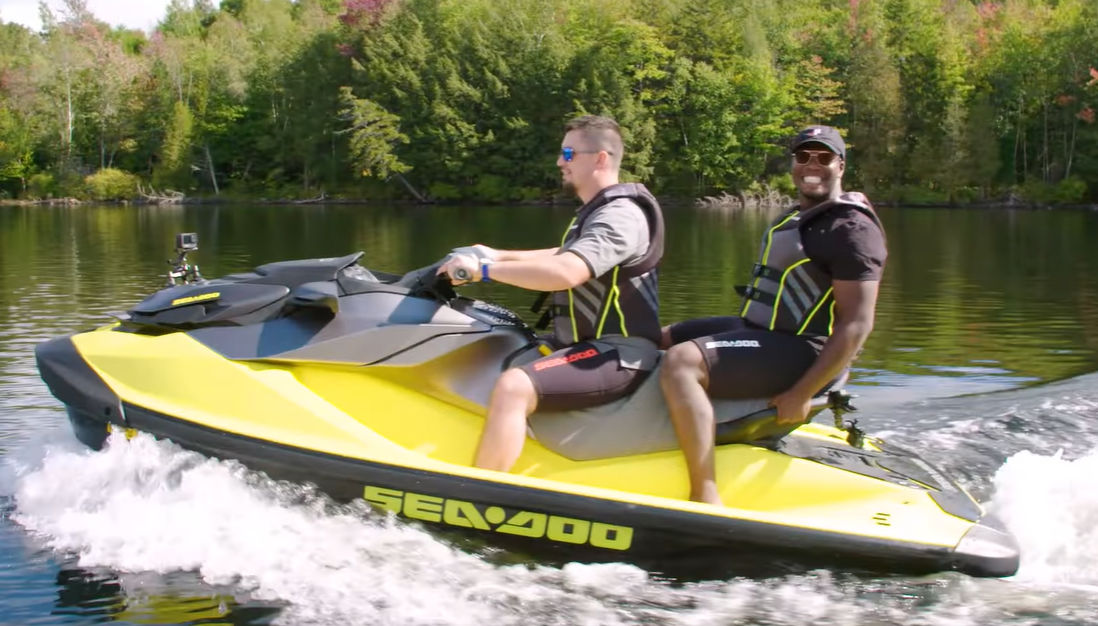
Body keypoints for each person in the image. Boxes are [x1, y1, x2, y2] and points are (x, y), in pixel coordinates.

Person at [659, 125, 887, 505]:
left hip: (803, 351)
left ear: (841, 166)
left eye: (823, 157)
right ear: (793, 163)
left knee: (683, 363)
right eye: (803, 157)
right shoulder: (797, 217)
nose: (811, 165)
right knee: (659, 337)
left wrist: (803, 392)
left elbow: (857, 324)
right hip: (762, 331)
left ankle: (704, 490)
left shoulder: (852, 230)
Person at [440, 115, 665, 472]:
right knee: (498, 344)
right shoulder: (598, 213)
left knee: (515, 386)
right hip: (587, 347)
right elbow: (561, 255)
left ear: (601, 159)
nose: (560, 161)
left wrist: (482, 270)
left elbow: (567, 271)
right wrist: (494, 253)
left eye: (569, 153)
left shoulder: (621, 215)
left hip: (618, 353)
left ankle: (481, 492)